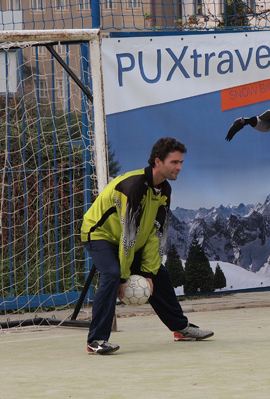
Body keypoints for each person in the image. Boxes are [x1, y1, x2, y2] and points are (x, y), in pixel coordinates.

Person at [80, 137, 214, 355]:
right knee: (112, 274)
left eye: (181, 162)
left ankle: (180, 328)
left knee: (160, 274)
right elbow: (128, 235)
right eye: (174, 162)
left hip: (128, 237)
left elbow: (157, 234)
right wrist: (124, 278)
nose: (179, 167)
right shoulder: (134, 187)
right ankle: (96, 340)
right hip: (100, 234)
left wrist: (149, 272)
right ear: (158, 161)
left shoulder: (165, 189)